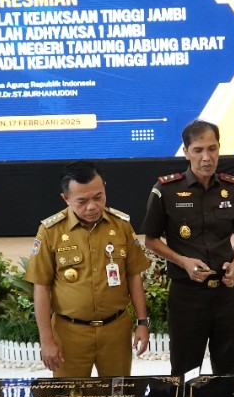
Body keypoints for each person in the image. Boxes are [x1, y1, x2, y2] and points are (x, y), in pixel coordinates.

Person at [141, 120, 234, 376]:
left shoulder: (233, 188)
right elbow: (151, 240)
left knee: (229, 371)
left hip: (226, 294)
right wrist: (183, 261)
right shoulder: (165, 190)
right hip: (187, 295)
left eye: (212, 149)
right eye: (198, 150)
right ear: (186, 152)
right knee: (185, 370)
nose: (207, 157)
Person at [25, 160, 151, 377]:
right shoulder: (51, 231)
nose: (92, 206)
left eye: (98, 197)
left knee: (116, 394)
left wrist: (142, 322)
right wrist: (46, 339)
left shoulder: (121, 225)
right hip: (69, 333)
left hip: (116, 331)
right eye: (82, 201)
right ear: (66, 198)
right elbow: (41, 287)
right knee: (70, 396)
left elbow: (134, 276)